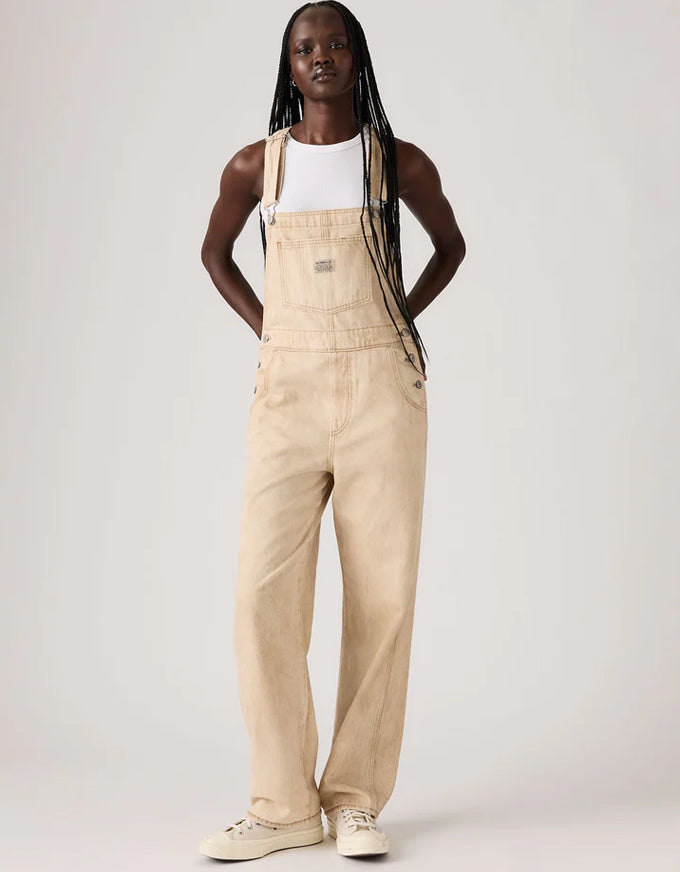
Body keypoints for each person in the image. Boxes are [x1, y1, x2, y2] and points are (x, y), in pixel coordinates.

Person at [198, 0, 465, 861]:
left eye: (335, 43)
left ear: (358, 57)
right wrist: (268, 327)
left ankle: (353, 799)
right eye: (305, 47)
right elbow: (214, 253)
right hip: (289, 387)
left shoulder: (396, 161)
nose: (321, 56)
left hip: (382, 386)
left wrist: (399, 318)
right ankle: (281, 805)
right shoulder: (257, 164)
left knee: (381, 593)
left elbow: (451, 245)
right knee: (260, 593)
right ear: (289, 65)